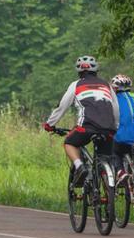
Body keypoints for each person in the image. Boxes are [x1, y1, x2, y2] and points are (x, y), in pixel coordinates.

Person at [44, 56, 119, 186]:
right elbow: (116, 108)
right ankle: (109, 190)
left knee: (69, 142)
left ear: (79, 72)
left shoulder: (76, 85)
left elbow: (62, 107)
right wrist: (115, 126)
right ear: (96, 71)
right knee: (104, 158)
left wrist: (50, 124)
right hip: (109, 129)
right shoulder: (107, 85)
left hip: (86, 127)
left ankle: (80, 167)